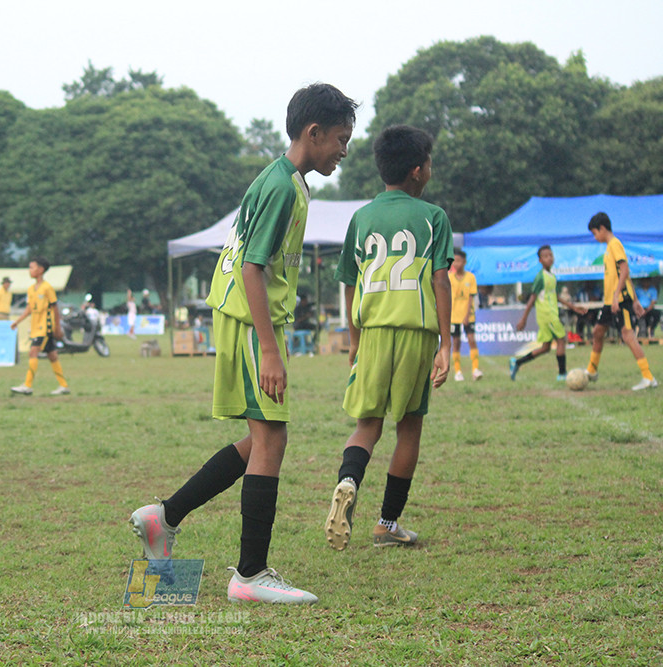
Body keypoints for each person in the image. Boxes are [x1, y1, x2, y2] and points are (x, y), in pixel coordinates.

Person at [129, 83, 357, 604]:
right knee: (272, 440)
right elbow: (252, 267)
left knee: (260, 441)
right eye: (340, 139)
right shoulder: (281, 186)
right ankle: (249, 576)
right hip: (253, 325)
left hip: (245, 322)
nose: (344, 150)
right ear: (313, 132)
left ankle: (164, 517)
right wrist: (271, 347)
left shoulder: (287, 181)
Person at [326, 124, 453, 552]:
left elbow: (349, 281)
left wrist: (354, 337)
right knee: (409, 427)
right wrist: (447, 343)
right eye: (429, 163)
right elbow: (441, 281)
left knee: (367, 425)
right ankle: (386, 524)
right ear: (418, 171)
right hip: (416, 334)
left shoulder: (361, 217)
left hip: (373, 330)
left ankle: (348, 480)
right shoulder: (433, 217)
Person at [585, 213, 656, 390]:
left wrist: (619, 296)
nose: (595, 238)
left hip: (619, 300)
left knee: (627, 335)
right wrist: (636, 300)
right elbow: (625, 273)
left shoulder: (615, 244)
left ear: (602, 228)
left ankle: (648, 377)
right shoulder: (609, 247)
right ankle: (592, 371)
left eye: (595, 233)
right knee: (597, 332)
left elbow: (624, 269)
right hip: (611, 301)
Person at [509, 246, 587, 381]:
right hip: (547, 314)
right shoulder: (540, 277)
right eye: (545, 256)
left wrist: (573, 307)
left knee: (545, 348)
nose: (549, 258)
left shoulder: (552, 276)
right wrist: (523, 319)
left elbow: (555, 295)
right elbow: (532, 299)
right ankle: (562, 373)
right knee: (561, 340)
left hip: (551, 314)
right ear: (540, 260)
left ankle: (517, 362)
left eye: (551, 255)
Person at [10, 256, 69, 396]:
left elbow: (55, 308)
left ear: (41, 270)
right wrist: (17, 321)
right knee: (52, 356)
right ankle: (63, 386)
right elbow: (29, 309)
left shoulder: (47, 288)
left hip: (45, 327)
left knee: (33, 352)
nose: (29, 270)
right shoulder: (31, 289)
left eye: (32, 267)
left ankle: (27, 385)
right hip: (36, 327)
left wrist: (57, 328)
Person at [449, 250, 481, 381]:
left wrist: (467, 315)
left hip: (468, 316)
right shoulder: (449, 277)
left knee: (471, 340)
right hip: (453, 316)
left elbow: (470, 298)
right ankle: (458, 371)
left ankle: (475, 370)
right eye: (454, 260)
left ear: (465, 262)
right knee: (456, 343)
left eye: (459, 260)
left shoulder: (470, 277)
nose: (456, 263)